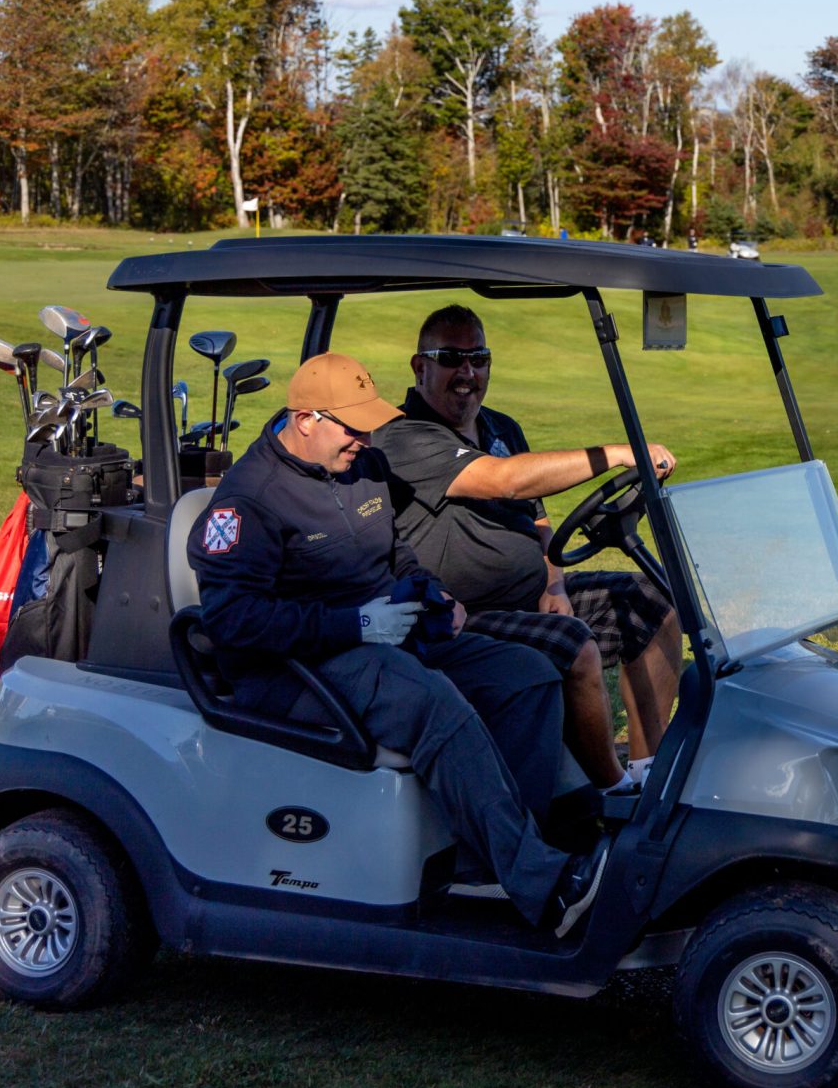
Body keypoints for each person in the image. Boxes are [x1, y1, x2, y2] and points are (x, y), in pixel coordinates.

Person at [188, 352, 605, 936]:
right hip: (296, 669)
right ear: (306, 420)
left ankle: (485, 867)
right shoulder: (250, 499)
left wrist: (432, 592)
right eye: (351, 428)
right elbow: (233, 620)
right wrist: (355, 625)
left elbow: (394, 551)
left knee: (527, 676)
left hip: (382, 638)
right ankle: (542, 885)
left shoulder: (363, 466)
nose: (363, 439)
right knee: (432, 702)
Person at [374, 306, 681, 793]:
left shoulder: (501, 427)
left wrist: (553, 581)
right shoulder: (404, 435)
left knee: (655, 601)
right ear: (420, 367)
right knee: (573, 644)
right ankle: (612, 791)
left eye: (479, 358)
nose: (467, 372)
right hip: (458, 615)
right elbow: (506, 480)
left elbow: (535, 514)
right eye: (451, 358)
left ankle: (649, 770)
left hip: (529, 599)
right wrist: (616, 454)